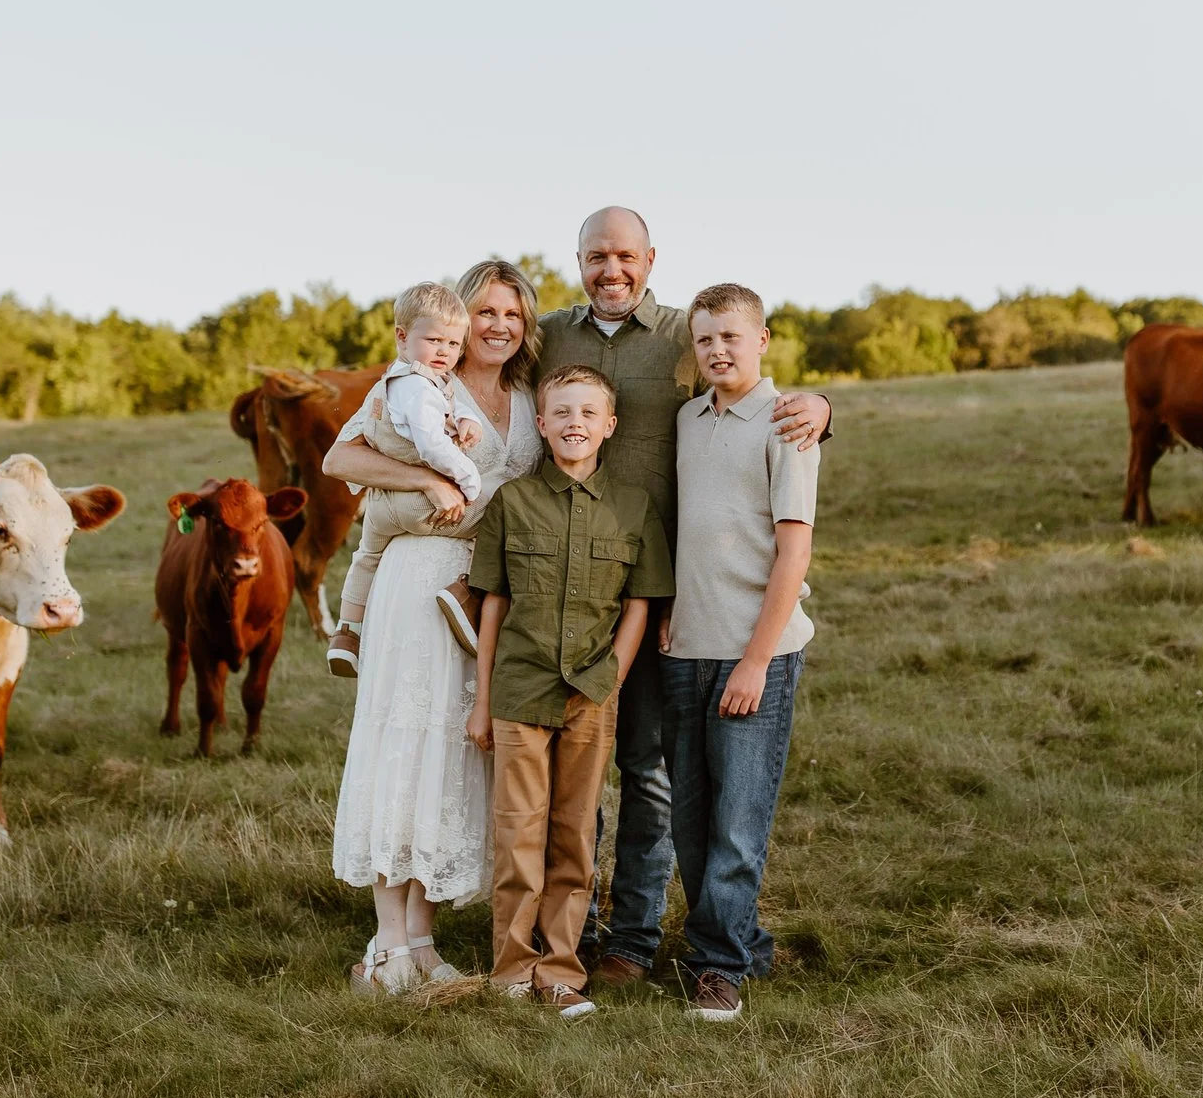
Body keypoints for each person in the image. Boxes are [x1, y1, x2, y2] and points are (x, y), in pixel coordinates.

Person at [326, 209, 831, 990]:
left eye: (625, 256)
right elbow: (384, 424)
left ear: (649, 259)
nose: (612, 270)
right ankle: (553, 935)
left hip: (651, 590)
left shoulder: (681, 336)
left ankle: (631, 937)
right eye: (597, 256)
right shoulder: (533, 343)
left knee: (649, 775)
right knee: (540, 775)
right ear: (579, 263)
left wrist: (822, 409)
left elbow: (748, 386)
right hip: (533, 595)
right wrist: (424, 480)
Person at [328, 261, 544, 995]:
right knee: (405, 739)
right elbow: (339, 455)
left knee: (454, 749)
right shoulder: (418, 383)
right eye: (485, 311)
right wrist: (424, 479)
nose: (497, 326)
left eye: (512, 315)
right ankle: (387, 943)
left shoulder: (529, 396)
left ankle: (422, 939)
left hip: (483, 590)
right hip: (420, 573)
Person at [465, 366, 672, 1019]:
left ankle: (559, 971)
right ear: (543, 423)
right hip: (519, 692)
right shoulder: (512, 504)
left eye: (588, 412)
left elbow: (640, 602)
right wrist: (481, 698)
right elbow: (492, 604)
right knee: (517, 835)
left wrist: (612, 672)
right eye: (562, 412)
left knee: (575, 835)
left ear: (609, 425)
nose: (575, 422)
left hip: (592, 696)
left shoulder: (633, 507)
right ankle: (511, 969)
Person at [660, 284, 819, 1023]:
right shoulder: (689, 419)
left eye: (731, 336)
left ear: (762, 340)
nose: (718, 349)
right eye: (704, 339)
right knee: (691, 821)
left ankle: (718, 967)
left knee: (735, 819)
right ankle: (743, 942)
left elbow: (792, 553)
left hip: (755, 651)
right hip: (685, 647)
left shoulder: (787, 423)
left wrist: (757, 661)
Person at [324, 281, 487, 680]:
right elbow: (432, 444)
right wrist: (468, 480)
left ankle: (347, 632)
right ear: (402, 336)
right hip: (423, 504)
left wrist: (468, 420)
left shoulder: (406, 380)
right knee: (507, 511)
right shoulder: (418, 386)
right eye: (434, 340)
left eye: (453, 344)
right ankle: (469, 597)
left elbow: (450, 404)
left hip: (382, 509)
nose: (445, 352)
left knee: (365, 557)